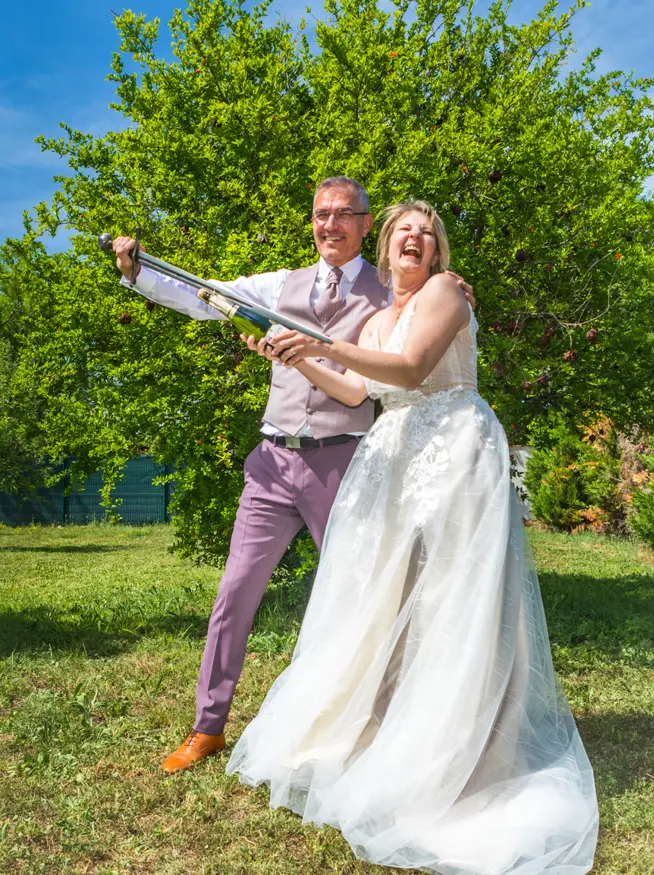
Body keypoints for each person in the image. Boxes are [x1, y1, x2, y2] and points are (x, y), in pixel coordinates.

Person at [228, 200, 599, 874]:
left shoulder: (446, 292)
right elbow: (354, 392)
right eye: (405, 228)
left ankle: (473, 754)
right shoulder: (374, 318)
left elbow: (411, 367)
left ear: (437, 251)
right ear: (387, 244)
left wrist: (318, 342)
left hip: (455, 450)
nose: (416, 237)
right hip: (395, 460)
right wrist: (294, 355)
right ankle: (395, 734)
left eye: (428, 233)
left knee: (457, 599)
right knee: (390, 600)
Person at [111, 176, 475, 775]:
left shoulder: (391, 288)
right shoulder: (281, 284)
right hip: (273, 461)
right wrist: (138, 271)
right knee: (234, 593)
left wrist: (449, 285)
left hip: (345, 463)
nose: (330, 224)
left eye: (344, 214)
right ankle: (207, 727)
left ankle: (380, 725)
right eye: (321, 214)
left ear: (366, 224)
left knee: (366, 599)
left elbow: (420, 329)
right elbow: (204, 294)